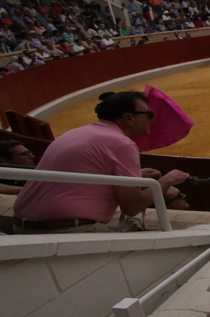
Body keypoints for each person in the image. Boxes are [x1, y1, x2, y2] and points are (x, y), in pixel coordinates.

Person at [12, 91, 189, 234]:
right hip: (65, 229)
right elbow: (132, 206)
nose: (151, 119)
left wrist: (135, 176)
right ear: (128, 118)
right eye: (148, 114)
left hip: (21, 225)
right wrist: (167, 181)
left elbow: (84, 171)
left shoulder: (76, 132)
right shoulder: (122, 143)